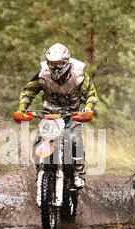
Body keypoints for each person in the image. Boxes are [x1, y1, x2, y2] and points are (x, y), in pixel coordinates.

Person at [14, 43, 98, 188]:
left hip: (72, 115)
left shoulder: (78, 74)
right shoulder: (43, 74)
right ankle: (40, 170)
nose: (55, 67)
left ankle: (78, 173)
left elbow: (91, 94)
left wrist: (88, 109)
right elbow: (28, 91)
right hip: (49, 115)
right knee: (39, 141)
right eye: (52, 64)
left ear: (66, 62)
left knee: (75, 140)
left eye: (59, 64)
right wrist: (22, 109)